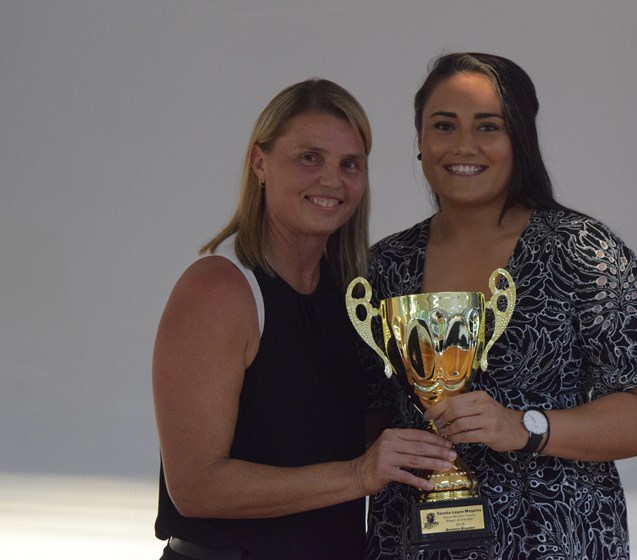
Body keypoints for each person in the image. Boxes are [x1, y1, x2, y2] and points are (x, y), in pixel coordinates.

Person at [363, 53, 637, 559]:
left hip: (554, 541)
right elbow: (366, 417)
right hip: (413, 543)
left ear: (520, 142)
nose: (463, 146)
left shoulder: (584, 251)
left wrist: (525, 427)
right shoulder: (384, 265)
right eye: (443, 125)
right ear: (421, 144)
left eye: (488, 127)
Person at [152, 78, 457, 560]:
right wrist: (359, 474)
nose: (332, 181)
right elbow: (195, 486)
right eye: (309, 157)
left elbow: (335, 435)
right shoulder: (219, 288)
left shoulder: (356, 294)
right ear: (260, 162)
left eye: (349, 164)